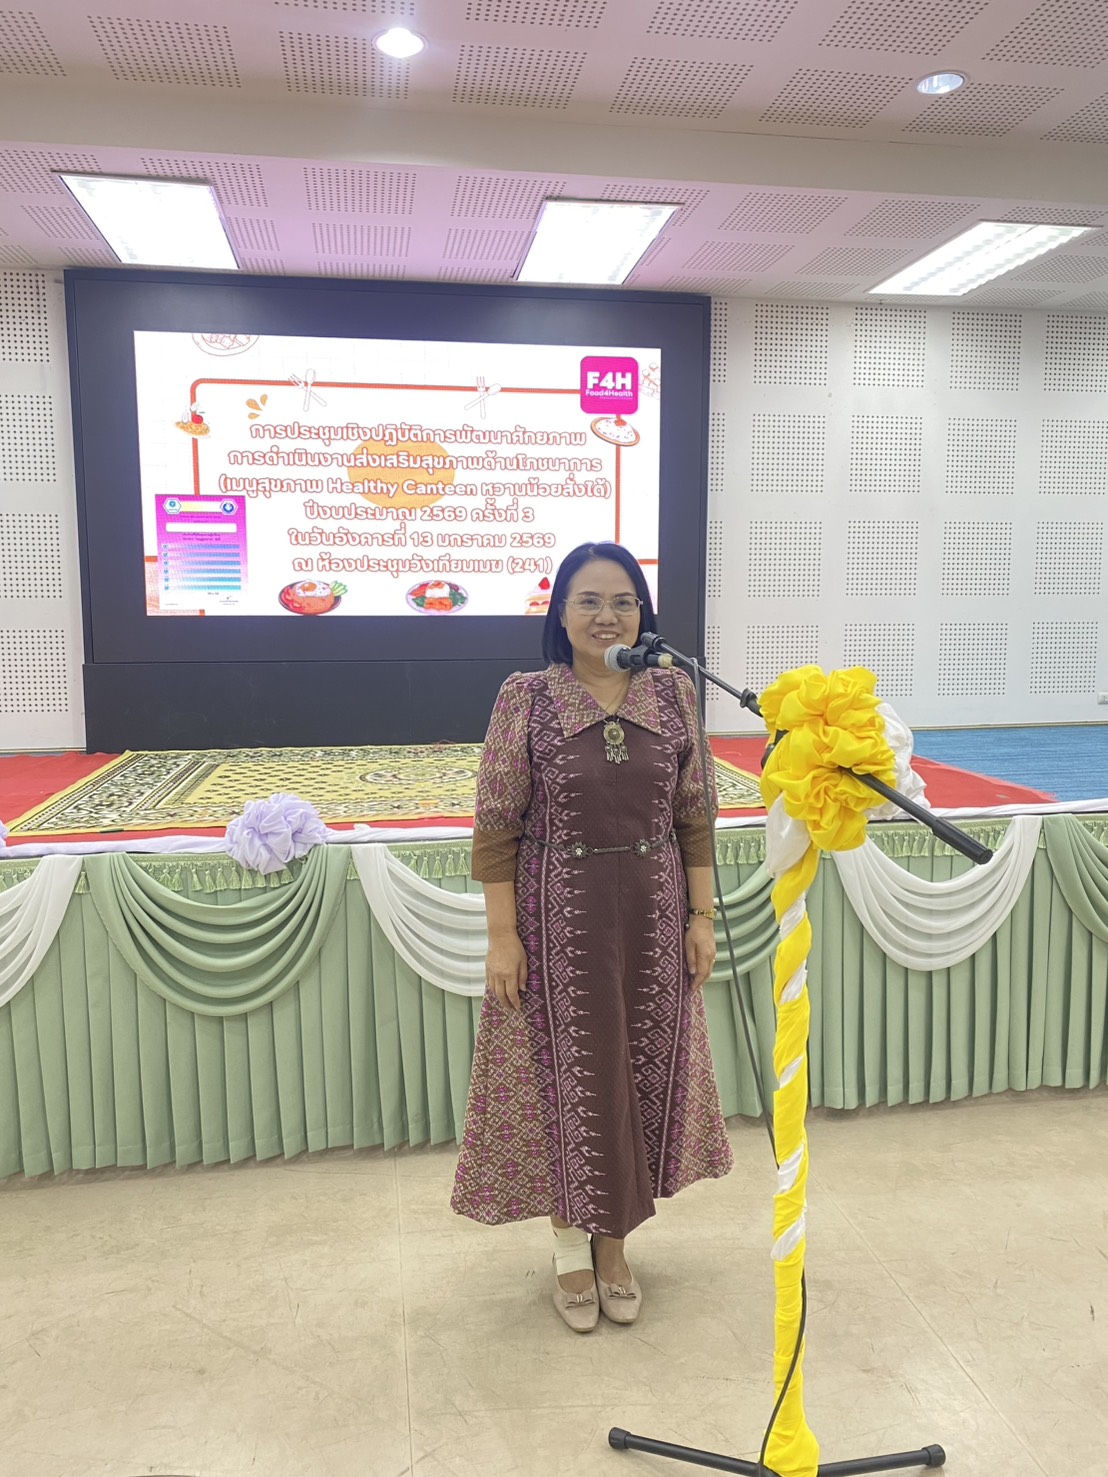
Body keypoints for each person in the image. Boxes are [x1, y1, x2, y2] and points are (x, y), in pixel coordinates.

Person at [451, 542, 733, 1332]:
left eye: (623, 601)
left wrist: (701, 918)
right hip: (557, 921)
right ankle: (569, 1244)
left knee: (635, 1076)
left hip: (652, 916)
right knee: (567, 1081)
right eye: (589, 600)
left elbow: (695, 816)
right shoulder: (527, 698)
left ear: (643, 613)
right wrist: (502, 937)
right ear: (561, 612)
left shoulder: (673, 693)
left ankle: (615, 1245)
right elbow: (496, 828)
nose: (608, 615)